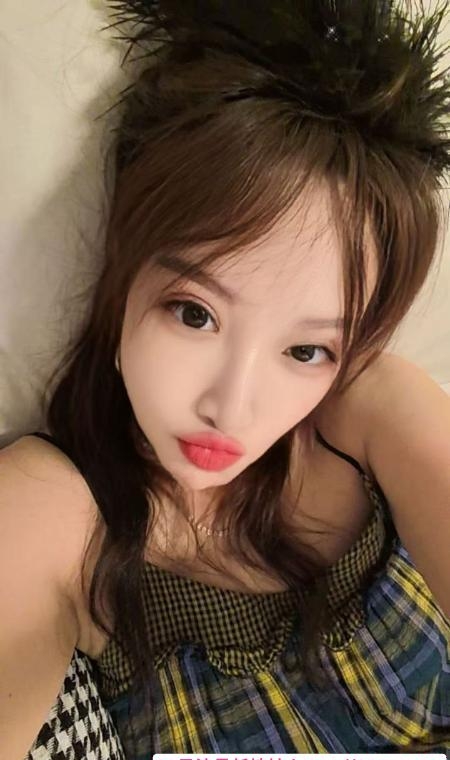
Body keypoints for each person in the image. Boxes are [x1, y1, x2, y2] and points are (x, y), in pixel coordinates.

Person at [2, 1, 450, 758]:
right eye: (195, 313)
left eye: (305, 351)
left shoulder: (370, 410)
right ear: (122, 275)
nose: (233, 408)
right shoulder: (52, 509)